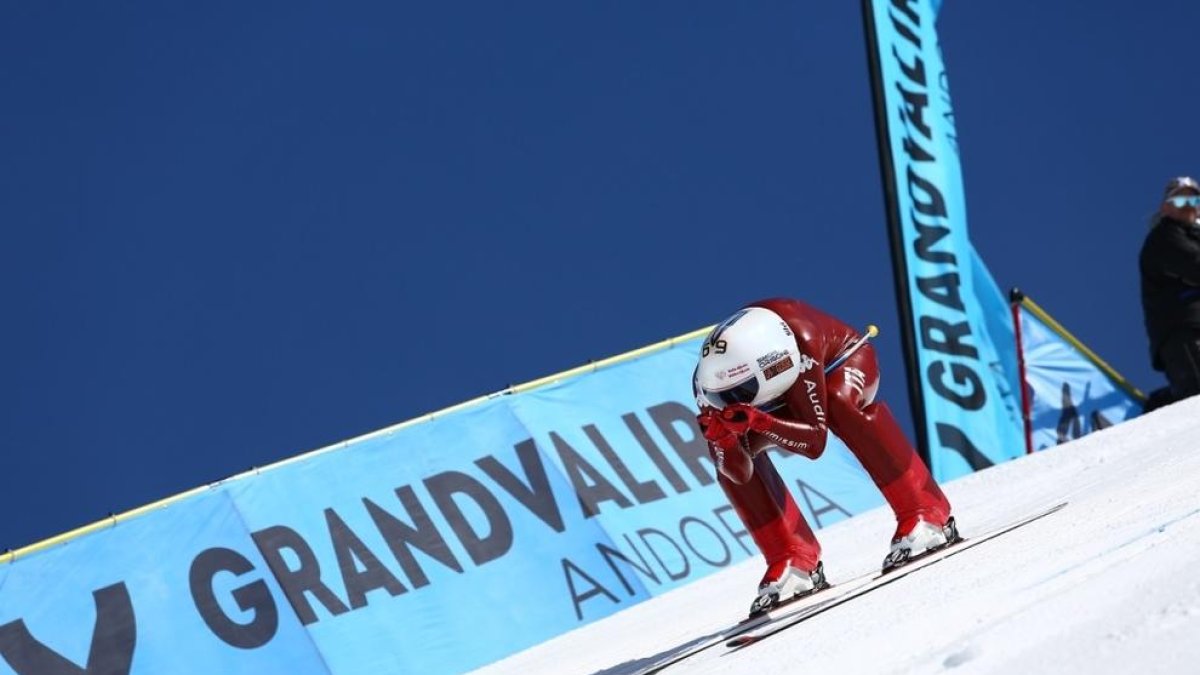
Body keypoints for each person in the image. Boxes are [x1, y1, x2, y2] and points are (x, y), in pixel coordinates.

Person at [692, 298, 956, 615]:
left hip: (839, 362)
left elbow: (814, 441)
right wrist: (726, 443)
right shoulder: (708, 386)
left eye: (743, 390)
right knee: (729, 446)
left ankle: (927, 510)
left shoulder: (797, 342)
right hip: (779, 394)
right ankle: (791, 558)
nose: (732, 400)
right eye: (725, 396)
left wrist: (761, 420)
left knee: (839, 402)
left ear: (771, 365)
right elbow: (737, 472)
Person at [1140, 176, 1200, 412]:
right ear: (1165, 207)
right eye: (1179, 199)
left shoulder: (1190, 236)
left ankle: (1160, 406)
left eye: (1193, 198)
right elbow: (1193, 264)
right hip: (1185, 331)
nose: (1187, 203)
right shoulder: (1164, 237)